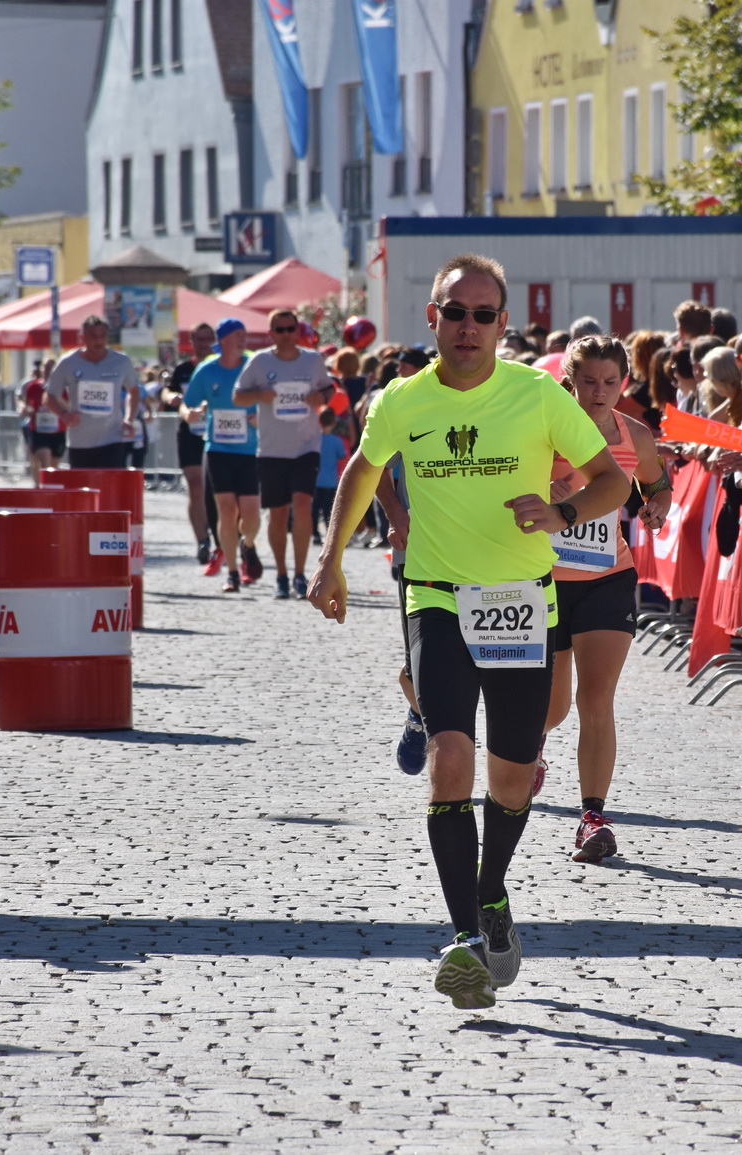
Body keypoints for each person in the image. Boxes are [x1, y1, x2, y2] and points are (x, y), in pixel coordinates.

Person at [308, 253, 630, 1010]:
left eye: (484, 315)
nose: (469, 327)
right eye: (456, 311)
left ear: (503, 325)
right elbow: (361, 469)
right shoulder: (401, 399)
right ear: (433, 317)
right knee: (451, 756)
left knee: (512, 773)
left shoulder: (537, 395)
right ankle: (465, 937)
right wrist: (329, 561)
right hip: (437, 595)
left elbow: (617, 479)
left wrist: (563, 513)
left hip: (522, 598)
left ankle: (491, 895)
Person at [539, 336, 671, 863]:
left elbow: (657, 484)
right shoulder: (543, 426)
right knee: (552, 708)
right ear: (569, 379)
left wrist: (657, 507)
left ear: (625, 383)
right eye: (588, 381)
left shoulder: (633, 435)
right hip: (542, 580)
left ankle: (592, 819)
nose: (598, 392)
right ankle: (538, 746)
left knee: (596, 701)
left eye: (610, 382)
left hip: (606, 577)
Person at [234, 308, 337, 600]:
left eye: (290, 329)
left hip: (306, 446)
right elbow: (238, 396)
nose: (286, 335)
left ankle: (301, 574)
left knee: (303, 506)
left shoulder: (312, 360)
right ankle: (281, 574)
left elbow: (329, 390)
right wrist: (259, 396)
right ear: (271, 333)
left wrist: (322, 398)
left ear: (297, 330)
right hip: (271, 450)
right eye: (279, 330)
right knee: (278, 515)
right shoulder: (260, 361)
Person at [182, 318, 264, 592]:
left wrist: (259, 416)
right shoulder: (207, 371)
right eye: (238, 334)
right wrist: (189, 414)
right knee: (226, 512)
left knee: (251, 517)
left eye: (245, 334)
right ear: (225, 339)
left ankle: (248, 545)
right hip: (217, 450)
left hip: (249, 451)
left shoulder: (253, 366)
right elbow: (187, 403)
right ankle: (232, 572)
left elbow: (268, 397)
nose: (243, 339)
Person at [44, 315, 140, 470]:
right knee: (85, 491)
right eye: (93, 336)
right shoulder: (68, 362)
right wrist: (64, 414)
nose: (99, 341)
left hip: (112, 439)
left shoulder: (121, 362)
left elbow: (134, 391)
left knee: (107, 490)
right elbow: (48, 396)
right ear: (82, 337)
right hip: (80, 442)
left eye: (103, 337)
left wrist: (129, 419)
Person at [165, 323, 217, 560]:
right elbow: (166, 391)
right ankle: (202, 541)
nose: (203, 343)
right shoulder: (183, 369)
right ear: (192, 341)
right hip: (190, 435)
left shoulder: (221, 367)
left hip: (219, 435)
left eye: (207, 339)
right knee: (196, 487)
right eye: (199, 339)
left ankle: (221, 537)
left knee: (217, 491)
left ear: (214, 340)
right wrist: (172, 397)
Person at [22, 357, 65, 476]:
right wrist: (28, 409)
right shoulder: (33, 387)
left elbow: (68, 406)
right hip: (39, 430)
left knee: (54, 465)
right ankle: (43, 489)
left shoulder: (62, 388)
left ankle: (51, 488)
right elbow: (26, 404)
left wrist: (55, 401)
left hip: (57, 431)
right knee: (45, 464)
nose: (48, 371)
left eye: (51, 368)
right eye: (46, 368)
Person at [313, 407, 345, 545]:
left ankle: (315, 533)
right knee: (328, 509)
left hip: (315, 479)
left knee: (314, 508)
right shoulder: (337, 441)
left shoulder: (315, 439)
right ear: (333, 423)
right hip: (330, 480)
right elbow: (342, 455)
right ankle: (328, 533)